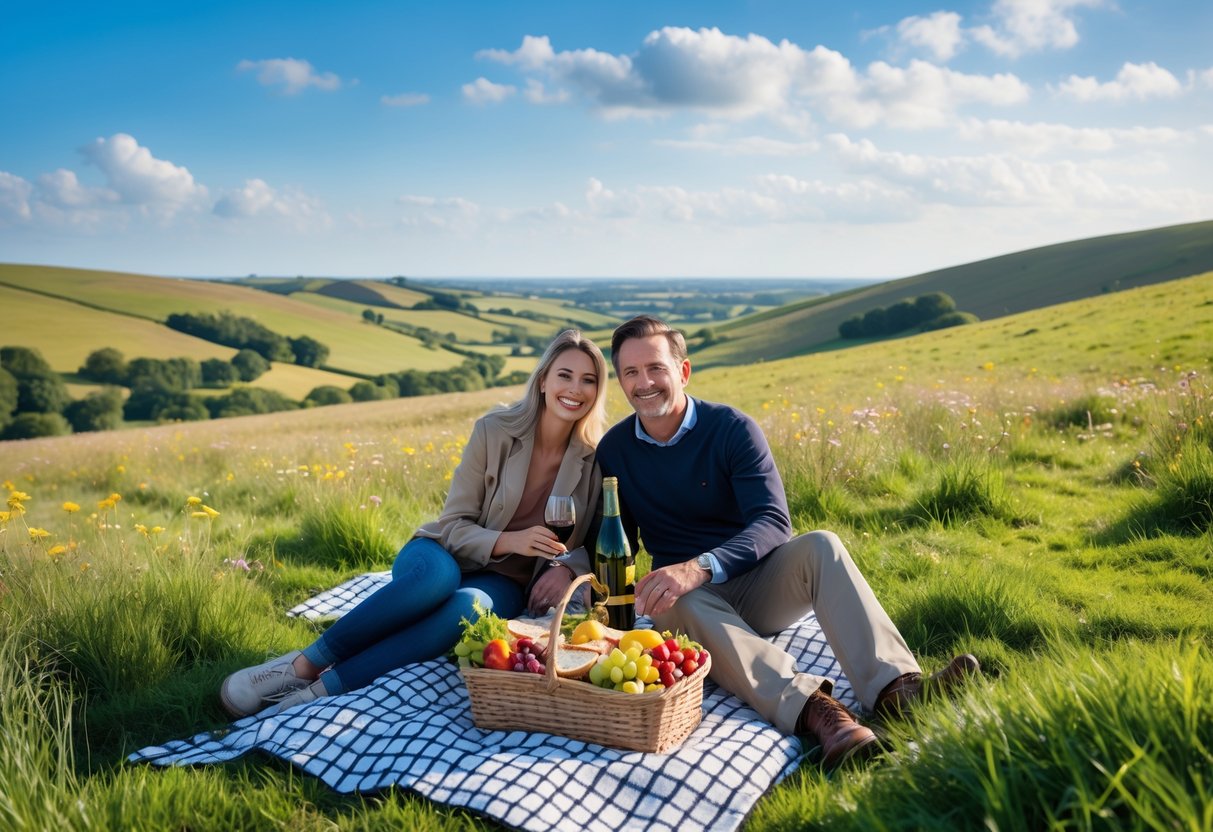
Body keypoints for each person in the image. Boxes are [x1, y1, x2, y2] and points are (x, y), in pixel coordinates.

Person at [595, 315, 979, 770]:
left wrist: (699, 566)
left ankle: (897, 690)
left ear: (683, 371)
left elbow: (773, 521)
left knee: (822, 544)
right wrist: (569, 569)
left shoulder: (731, 428)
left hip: (758, 583)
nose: (645, 383)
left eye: (655, 367)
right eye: (631, 373)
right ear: (620, 381)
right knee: (674, 605)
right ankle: (821, 714)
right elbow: (615, 540)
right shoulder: (614, 450)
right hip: (691, 606)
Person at [220, 329, 608, 718]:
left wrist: (567, 567)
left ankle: (319, 692)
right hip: (443, 552)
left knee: (468, 608)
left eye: (588, 379)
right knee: (436, 582)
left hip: (507, 583)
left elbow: (599, 543)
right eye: (565, 375)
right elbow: (454, 522)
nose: (575, 388)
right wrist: (512, 540)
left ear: (597, 390)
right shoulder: (494, 431)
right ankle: (300, 666)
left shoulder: (594, 460)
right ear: (543, 380)